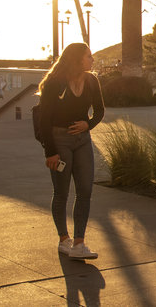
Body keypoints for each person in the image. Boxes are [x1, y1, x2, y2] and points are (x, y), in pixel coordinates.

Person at [38, 43, 104, 259]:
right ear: (76, 59)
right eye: (88, 56)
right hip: (59, 140)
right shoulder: (55, 82)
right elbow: (44, 120)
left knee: (85, 190)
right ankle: (63, 239)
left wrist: (88, 124)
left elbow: (100, 111)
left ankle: (79, 243)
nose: (92, 60)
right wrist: (51, 152)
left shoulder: (92, 81)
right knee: (62, 192)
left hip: (83, 140)